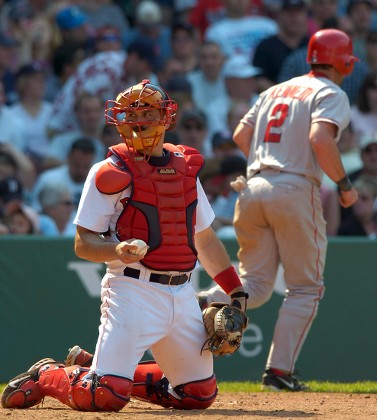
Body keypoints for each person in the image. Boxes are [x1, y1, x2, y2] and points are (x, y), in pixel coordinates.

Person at [1, 79, 248, 412]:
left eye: (147, 113)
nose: (140, 122)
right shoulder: (109, 170)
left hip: (182, 292)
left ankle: (95, 368)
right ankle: (49, 374)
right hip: (133, 289)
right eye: (131, 116)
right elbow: (83, 243)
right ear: (119, 121)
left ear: (165, 118)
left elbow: (203, 238)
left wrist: (236, 292)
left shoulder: (185, 168)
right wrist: (115, 250)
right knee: (103, 395)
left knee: (197, 395)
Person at [197, 29, 359, 391]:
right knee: (305, 288)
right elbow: (320, 138)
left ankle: (205, 301)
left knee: (254, 285)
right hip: (294, 188)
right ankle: (279, 372)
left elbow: (241, 135)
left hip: (253, 186)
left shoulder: (275, 90)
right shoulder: (331, 92)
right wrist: (345, 186)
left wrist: (267, 162)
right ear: (344, 63)